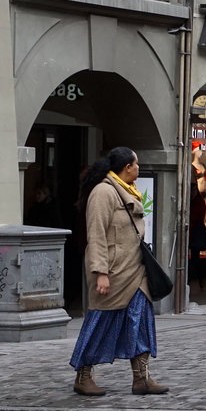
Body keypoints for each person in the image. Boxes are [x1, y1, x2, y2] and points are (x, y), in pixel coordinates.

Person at [69, 147, 169, 396]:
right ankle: (83, 375)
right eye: (137, 164)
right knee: (100, 321)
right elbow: (96, 235)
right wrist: (100, 272)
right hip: (112, 273)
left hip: (135, 270)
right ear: (127, 168)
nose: (139, 168)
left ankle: (142, 378)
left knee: (141, 319)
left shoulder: (126, 189)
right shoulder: (104, 192)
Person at [188, 141, 206, 289]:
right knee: (194, 252)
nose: (201, 152)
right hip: (193, 220)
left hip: (197, 214)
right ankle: (195, 278)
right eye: (199, 149)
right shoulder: (192, 168)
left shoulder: (202, 167)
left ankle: (196, 278)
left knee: (195, 252)